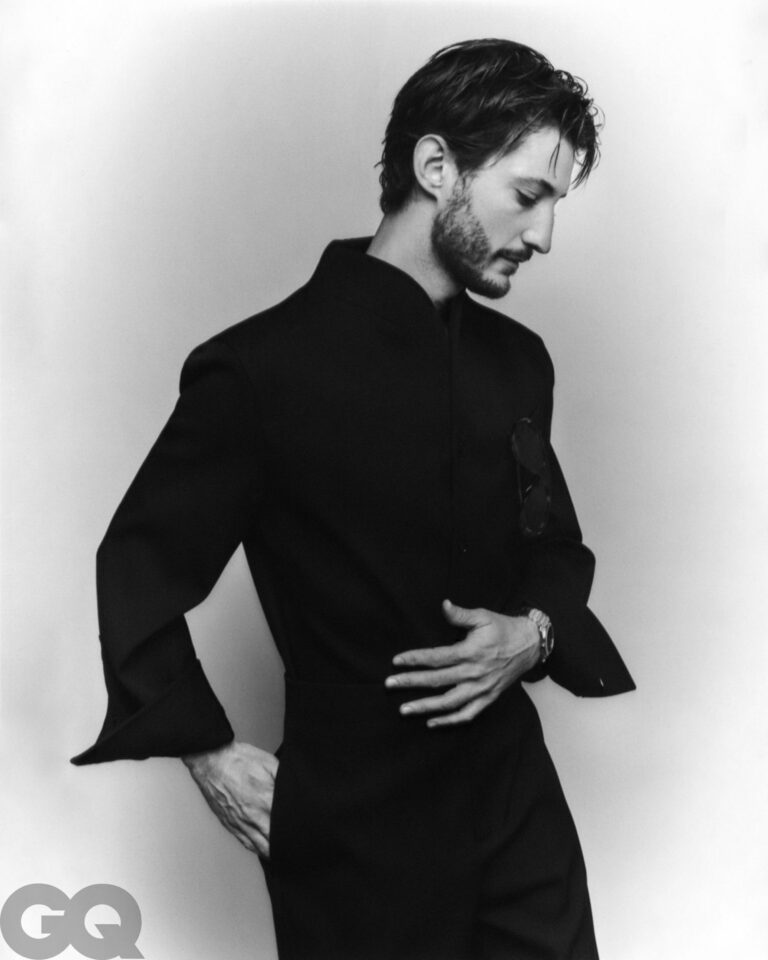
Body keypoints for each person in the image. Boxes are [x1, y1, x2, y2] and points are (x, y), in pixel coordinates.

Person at [72, 38, 635, 960]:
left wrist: (532, 634)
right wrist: (208, 751)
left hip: (515, 805)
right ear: (436, 166)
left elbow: (554, 549)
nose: (543, 237)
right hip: (353, 828)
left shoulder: (518, 363)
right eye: (528, 196)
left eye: (555, 206)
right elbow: (137, 569)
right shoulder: (258, 370)